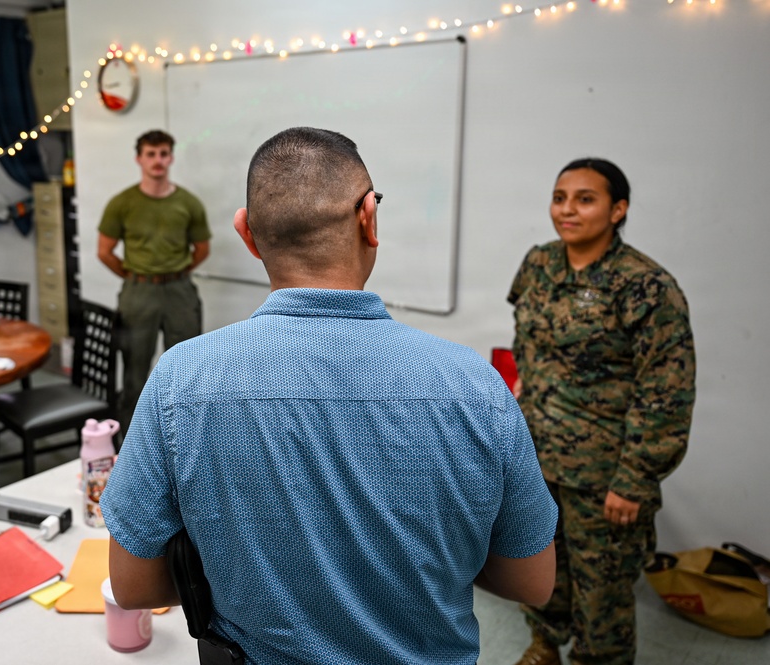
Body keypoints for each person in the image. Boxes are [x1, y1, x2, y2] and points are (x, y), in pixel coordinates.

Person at [102, 127, 558, 664]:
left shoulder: (181, 380)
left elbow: (132, 587)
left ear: (246, 235)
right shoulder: (476, 387)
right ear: (369, 217)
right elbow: (533, 581)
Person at [508, 158, 696, 665]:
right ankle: (544, 643)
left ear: (618, 210)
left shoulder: (646, 286)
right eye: (559, 197)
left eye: (585, 199)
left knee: (604, 595)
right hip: (536, 458)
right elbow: (526, 342)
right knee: (542, 567)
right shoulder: (539, 263)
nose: (567, 210)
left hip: (603, 474)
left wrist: (635, 479)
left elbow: (667, 390)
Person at [97, 130, 211, 436]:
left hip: (179, 291)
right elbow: (104, 252)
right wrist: (135, 276)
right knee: (135, 370)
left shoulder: (188, 202)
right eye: (151, 154)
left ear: (171, 157)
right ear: (139, 158)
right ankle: (129, 443)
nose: (157, 160)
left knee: (186, 369)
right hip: (139, 292)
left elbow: (201, 249)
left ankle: (186, 438)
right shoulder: (122, 203)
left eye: (163, 154)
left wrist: (175, 273)